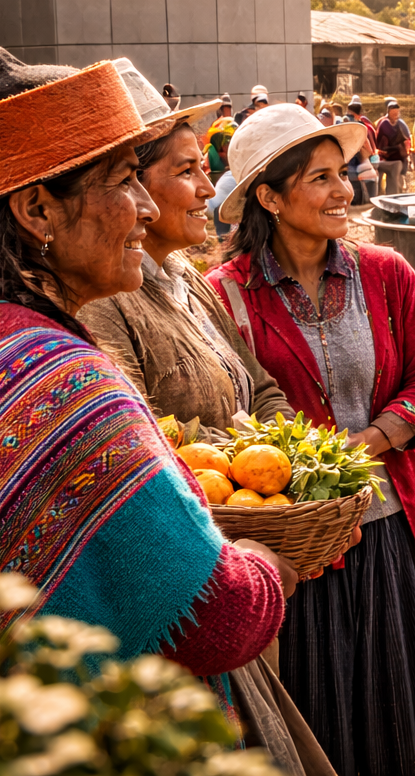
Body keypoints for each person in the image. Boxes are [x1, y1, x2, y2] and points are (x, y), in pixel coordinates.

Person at [0, 48, 296, 726]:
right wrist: (264, 565)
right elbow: (217, 619)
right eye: (123, 180)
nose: (143, 208)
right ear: (37, 210)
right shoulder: (55, 378)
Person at [77, 109, 336, 776]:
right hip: (198, 575)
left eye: (205, 169)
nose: (206, 190)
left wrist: (299, 482)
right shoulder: (109, 303)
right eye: (185, 172)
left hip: (250, 550)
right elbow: (146, 447)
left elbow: (264, 388)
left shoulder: (188, 279)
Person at [209, 105, 415, 776]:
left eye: (343, 173)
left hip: (395, 529)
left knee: (402, 703)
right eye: (320, 178)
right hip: (300, 545)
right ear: (269, 197)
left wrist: (368, 443)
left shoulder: (386, 274)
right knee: (323, 706)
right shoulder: (226, 297)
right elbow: (232, 413)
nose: (344, 191)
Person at [345, 101, 379, 205]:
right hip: (360, 170)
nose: (348, 116)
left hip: (354, 171)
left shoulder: (354, 129)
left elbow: (369, 150)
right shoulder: (365, 128)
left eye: (350, 114)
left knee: (359, 202)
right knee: (366, 202)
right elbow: (371, 151)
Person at [375, 98, 410, 195]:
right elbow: (379, 144)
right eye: (393, 113)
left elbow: (407, 141)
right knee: (392, 185)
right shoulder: (384, 124)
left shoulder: (401, 124)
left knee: (396, 185)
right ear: (389, 112)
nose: (396, 115)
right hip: (388, 160)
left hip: (399, 160)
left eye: (397, 113)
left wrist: (405, 150)